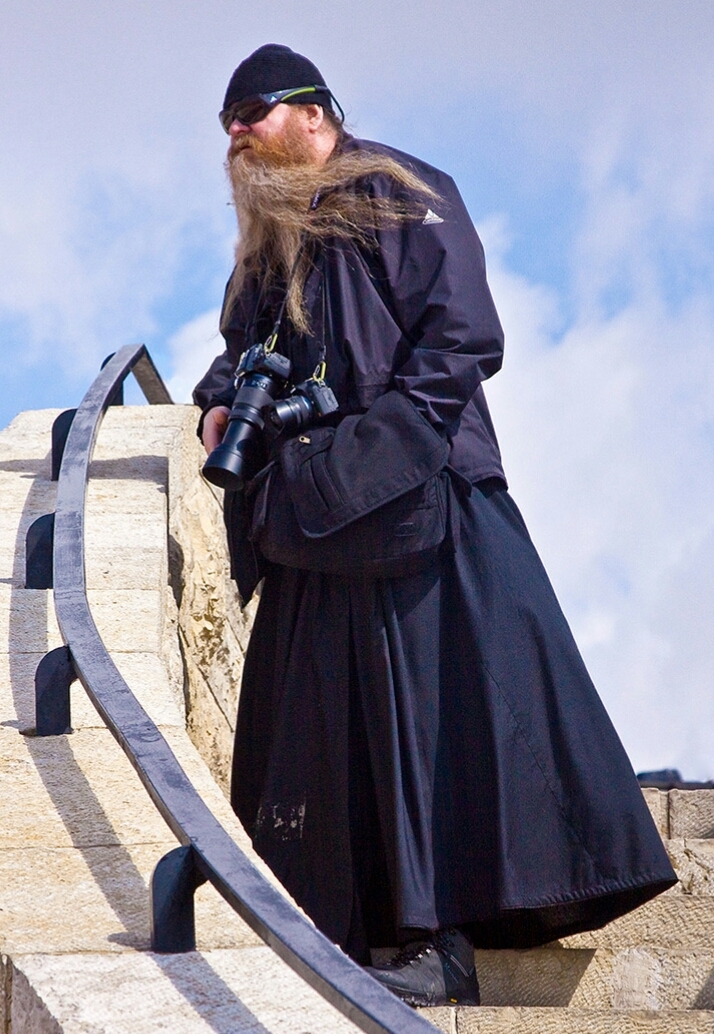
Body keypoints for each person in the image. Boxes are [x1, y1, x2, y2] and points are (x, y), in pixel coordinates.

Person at [194, 44, 677, 1008]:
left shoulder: (401, 191)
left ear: (314, 113)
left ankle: (435, 940)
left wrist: (386, 445)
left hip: (423, 501)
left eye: (250, 113)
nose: (235, 136)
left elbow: (462, 335)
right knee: (333, 741)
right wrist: (220, 402)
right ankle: (350, 932)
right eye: (226, 126)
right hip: (317, 526)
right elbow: (244, 352)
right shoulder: (269, 239)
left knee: (435, 725)